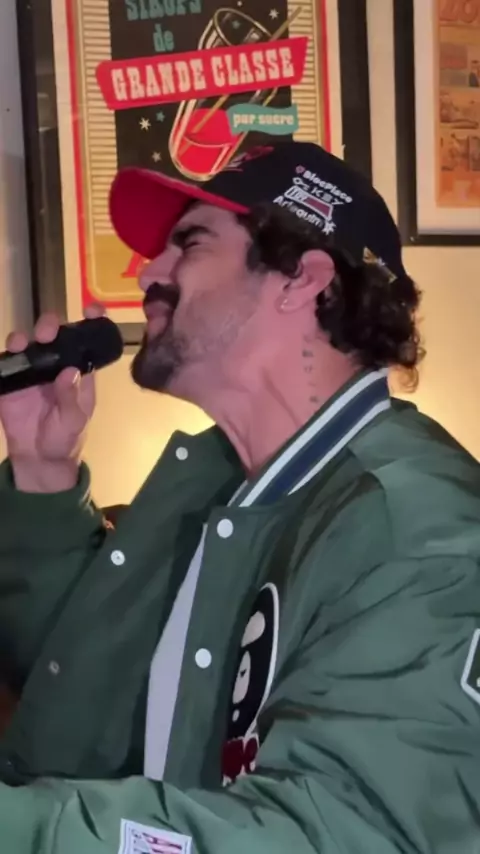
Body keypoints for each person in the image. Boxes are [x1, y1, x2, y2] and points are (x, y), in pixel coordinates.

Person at [0, 141, 479, 851]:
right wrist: (43, 472)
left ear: (303, 280)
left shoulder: (419, 534)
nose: (148, 272)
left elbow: (341, 834)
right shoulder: (217, 483)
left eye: (189, 243)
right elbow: (83, 691)